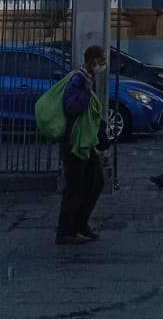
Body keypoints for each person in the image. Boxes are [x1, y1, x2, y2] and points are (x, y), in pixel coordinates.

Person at [55, 45, 107, 246]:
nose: (103, 63)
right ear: (92, 60)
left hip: (84, 141)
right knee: (75, 186)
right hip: (73, 141)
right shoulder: (78, 79)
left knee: (96, 181)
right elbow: (72, 107)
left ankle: (80, 224)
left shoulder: (87, 78)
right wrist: (86, 93)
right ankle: (66, 231)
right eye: (101, 59)